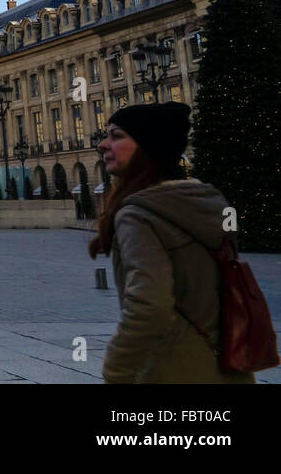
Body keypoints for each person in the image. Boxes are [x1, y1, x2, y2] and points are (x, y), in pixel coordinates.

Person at [89, 102, 254, 384]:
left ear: (147, 146)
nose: (103, 145)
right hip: (229, 369)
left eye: (117, 136)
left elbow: (149, 306)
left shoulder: (139, 214)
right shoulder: (206, 201)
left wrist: (117, 372)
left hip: (172, 372)